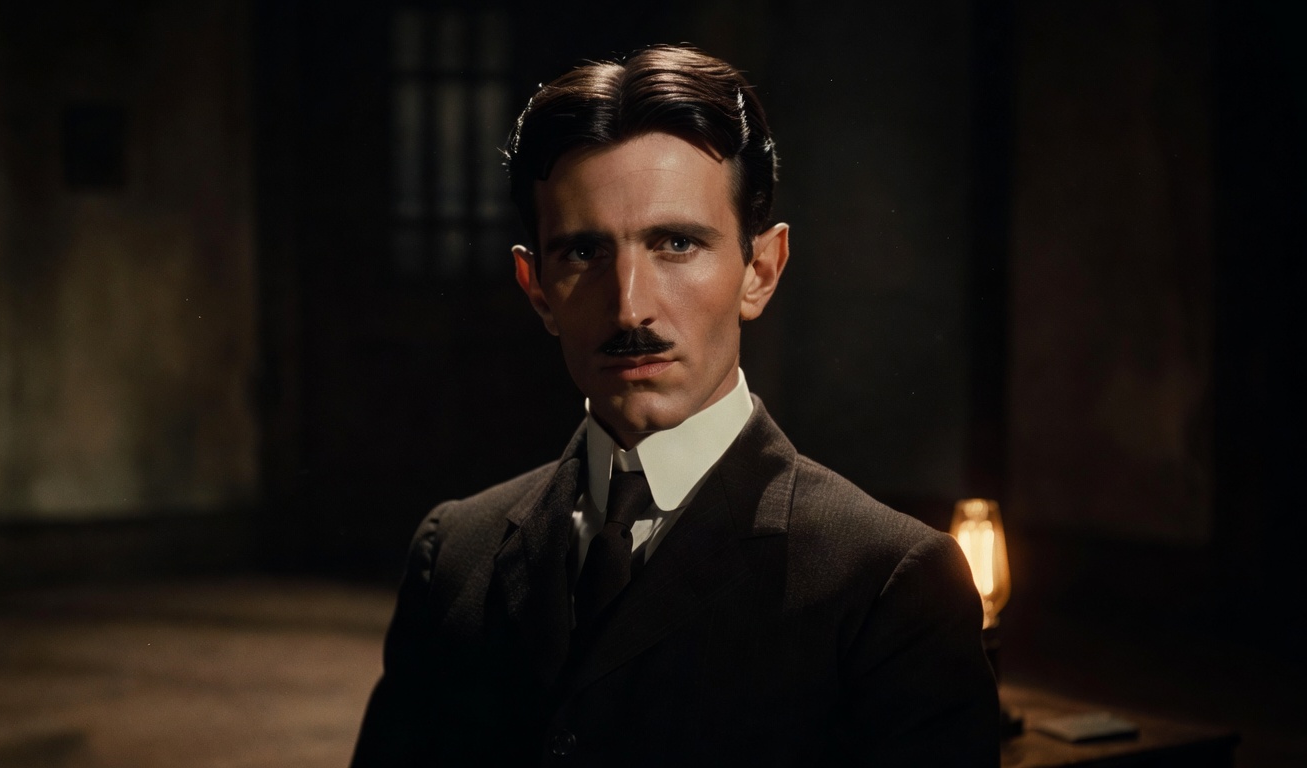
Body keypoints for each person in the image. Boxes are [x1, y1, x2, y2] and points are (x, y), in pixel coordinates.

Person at [350, 44, 999, 766]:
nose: (630, 307)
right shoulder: (454, 554)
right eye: (583, 253)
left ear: (760, 270)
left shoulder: (887, 584)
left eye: (677, 244)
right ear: (537, 291)